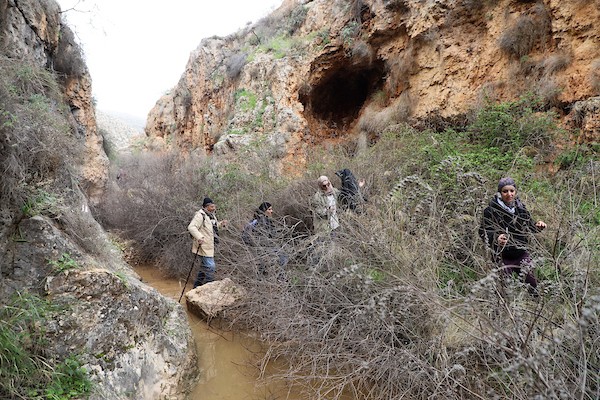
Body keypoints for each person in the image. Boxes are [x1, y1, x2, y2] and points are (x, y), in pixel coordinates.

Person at [479, 177, 547, 292]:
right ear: (500, 193)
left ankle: (536, 305)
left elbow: (530, 226)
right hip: (502, 257)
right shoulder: (490, 211)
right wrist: (496, 238)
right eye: (505, 191)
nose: (509, 194)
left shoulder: (520, 208)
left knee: (533, 285)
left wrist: (538, 226)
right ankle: (504, 309)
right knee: (504, 289)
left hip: (521, 253)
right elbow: (483, 231)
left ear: (515, 192)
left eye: (512, 191)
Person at [188, 197, 228, 287]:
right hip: (203, 245)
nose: (214, 208)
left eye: (214, 206)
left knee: (204, 268)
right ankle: (209, 288)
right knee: (210, 267)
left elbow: (212, 226)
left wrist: (221, 224)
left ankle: (196, 287)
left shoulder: (210, 215)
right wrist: (199, 237)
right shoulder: (200, 215)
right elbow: (191, 227)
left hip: (210, 245)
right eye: (212, 206)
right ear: (206, 207)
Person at [242, 202, 288, 275]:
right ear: (264, 211)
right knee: (283, 256)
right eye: (269, 209)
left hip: (258, 247)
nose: (271, 211)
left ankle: (261, 277)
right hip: (263, 247)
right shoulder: (262, 221)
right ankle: (281, 276)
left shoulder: (256, 220)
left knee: (262, 263)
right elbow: (267, 235)